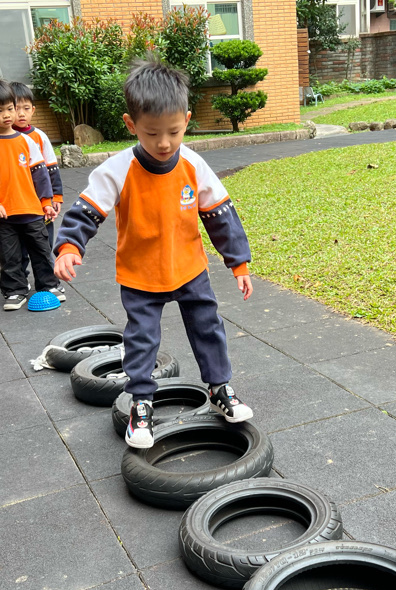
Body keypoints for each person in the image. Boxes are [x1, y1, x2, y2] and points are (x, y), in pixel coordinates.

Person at [52, 57, 253, 449]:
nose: (164, 143)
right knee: (142, 340)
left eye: (174, 132)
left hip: (189, 269)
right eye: (152, 133)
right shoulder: (118, 168)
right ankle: (141, 402)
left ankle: (219, 388)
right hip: (140, 275)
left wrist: (239, 263)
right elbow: (87, 210)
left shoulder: (193, 164)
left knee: (208, 328)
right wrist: (69, 246)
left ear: (187, 120)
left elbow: (220, 215)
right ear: (131, 125)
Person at [0, 79, 59, 310]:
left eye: (10, 108)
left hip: (32, 209)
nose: (7, 115)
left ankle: (49, 285)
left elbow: (40, 174)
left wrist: (47, 201)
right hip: (4, 214)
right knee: (9, 255)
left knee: (41, 250)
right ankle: (15, 291)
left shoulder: (27, 141)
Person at [9, 80, 65, 301]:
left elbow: (51, 168)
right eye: (16, 108)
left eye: (26, 108)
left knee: (43, 245)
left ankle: (47, 282)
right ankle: (19, 283)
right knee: (16, 248)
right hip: (15, 204)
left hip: (40, 204)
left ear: (33, 109)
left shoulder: (39, 136)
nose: (21, 114)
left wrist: (55, 196)